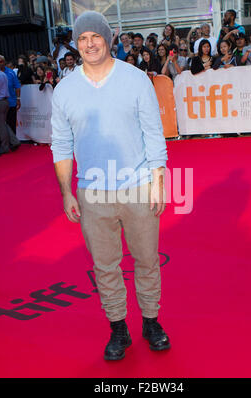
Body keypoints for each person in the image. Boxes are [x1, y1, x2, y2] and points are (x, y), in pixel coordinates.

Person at [51, 10, 169, 361]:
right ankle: (118, 327)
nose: (89, 43)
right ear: (76, 43)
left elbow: (153, 133)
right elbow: (60, 143)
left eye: (95, 37)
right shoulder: (65, 89)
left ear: (107, 39)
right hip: (92, 192)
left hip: (137, 187)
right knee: (105, 266)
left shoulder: (135, 79)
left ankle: (151, 321)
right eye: (83, 38)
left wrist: (158, 181)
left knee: (147, 261)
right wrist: (66, 191)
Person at [0, 61, 21, 155]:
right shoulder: (3, 74)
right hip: (6, 101)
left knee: (1, 126)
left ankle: (4, 147)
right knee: (3, 123)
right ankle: (14, 141)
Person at [0, 55, 21, 138]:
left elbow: (17, 86)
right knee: (0, 124)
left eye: (2, 61)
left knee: (11, 123)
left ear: (5, 62)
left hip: (11, 102)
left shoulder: (11, 72)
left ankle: (13, 143)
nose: (1, 63)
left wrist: (18, 99)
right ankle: (1, 144)